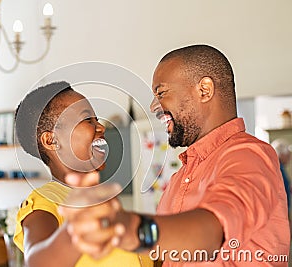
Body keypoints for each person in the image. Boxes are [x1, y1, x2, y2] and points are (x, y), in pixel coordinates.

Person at [60, 45, 290, 266]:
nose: (153, 106)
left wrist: (128, 227)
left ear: (204, 90)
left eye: (161, 92)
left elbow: (212, 232)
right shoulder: (181, 177)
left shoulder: (248, 155)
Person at [13, 81, 154, 267]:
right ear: (51, 140)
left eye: (96, 119)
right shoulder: (45, 200)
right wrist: (77, 232)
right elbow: (37, 260)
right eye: (87, 120)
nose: (101, 127)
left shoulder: (104, 202)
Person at [271, 138, 291, 215]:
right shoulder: (278, 168)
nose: (289, 159)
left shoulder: (279, 167)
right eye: (288, 156)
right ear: (281, 154)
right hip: (280, 210)